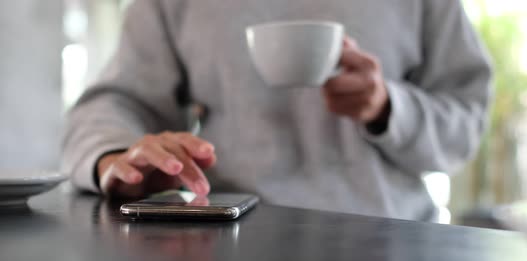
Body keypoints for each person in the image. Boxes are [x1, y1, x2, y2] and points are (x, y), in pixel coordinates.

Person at [63, 0, 493, 221]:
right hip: (228, 241)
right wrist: (114, 158)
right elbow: (112, 103)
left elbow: (467, 118)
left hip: (392, 244)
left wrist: (388, 109)